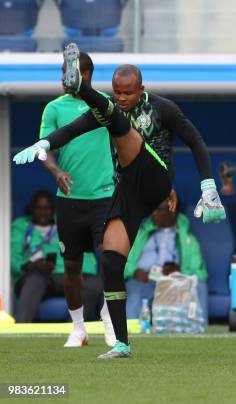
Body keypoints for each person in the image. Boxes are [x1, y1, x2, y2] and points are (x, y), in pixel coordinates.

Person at [13, 43, 226, 359]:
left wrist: (208, 187)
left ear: (142, 88)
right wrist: (45, 142)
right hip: (129, 190)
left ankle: (80, 85)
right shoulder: (108, 109)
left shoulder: (162, 108)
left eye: (129, 93)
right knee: (112, 261)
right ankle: (122, 343)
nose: (123, 98)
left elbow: (195, 142)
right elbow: (72, 130)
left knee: (115, 120)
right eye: (117, 92)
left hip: (156, 175)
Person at [39, 50, 115, 348]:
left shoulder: (104, 105)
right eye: (61, 72)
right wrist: (56, 170)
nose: (62, 79)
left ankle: (109, 321)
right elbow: (45, 149)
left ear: (85, 76)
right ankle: (79, 328)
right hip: (69, 200)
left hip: (103, 197)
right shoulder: (54, 108)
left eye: (67, 73)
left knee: (109, 262)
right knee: (72, 266)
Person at [11, 191, 102, 324]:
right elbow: (12, 259)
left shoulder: (66, 223)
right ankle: (21, 331)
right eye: (38, 208)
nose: (43, 213)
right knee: (34, 280)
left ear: (54, 209)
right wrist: (31, 265)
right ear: (31, 209)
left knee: (93, 283)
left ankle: (75, 330)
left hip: (67, 274)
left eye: (47, 209)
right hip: (37, 276)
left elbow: (87, 260)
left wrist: (70, 267)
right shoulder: (20, 226)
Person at [125, 191, 208, 322]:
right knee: (134, 289)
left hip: (176, 282)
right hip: (145, 280)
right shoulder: (140, 234)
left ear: (172, 210)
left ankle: (198, 329)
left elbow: (200, 273)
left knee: (200, 286)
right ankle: (130, 332)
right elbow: (123, 262)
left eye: (159, 210)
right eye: (152, 209)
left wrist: (180, 273)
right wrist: (134, 272)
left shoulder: (189, 239)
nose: (153, 213)